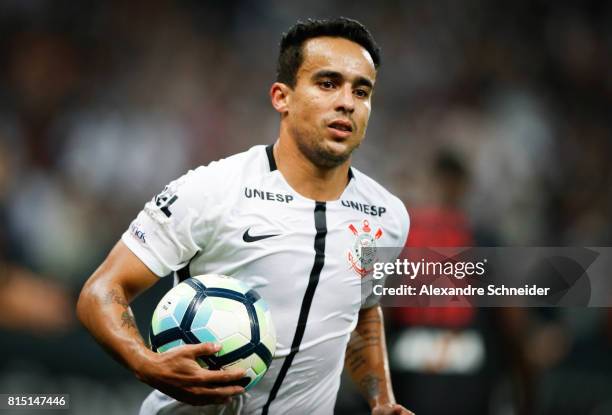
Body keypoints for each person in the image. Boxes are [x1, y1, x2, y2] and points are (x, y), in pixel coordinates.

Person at [77, 17, 413, 415]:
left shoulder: (388, 216)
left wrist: (381, 400)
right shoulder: (212, 190)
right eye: (327, 83)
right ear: (281, 97)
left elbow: (360, 311)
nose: (346, 102)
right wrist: (145, 362)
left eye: (361, 90)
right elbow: (101, 291)